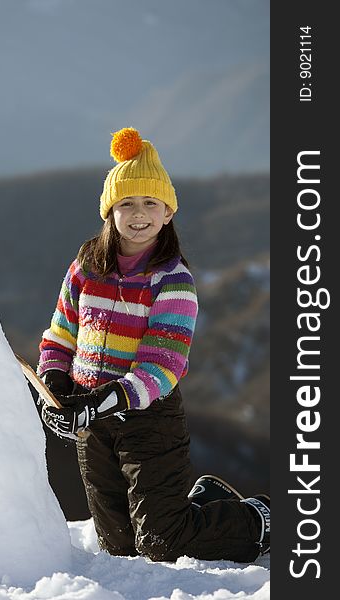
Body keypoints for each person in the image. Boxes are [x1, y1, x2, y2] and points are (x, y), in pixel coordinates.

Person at [36, 127, 270, 563]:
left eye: (150, 203)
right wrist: (53, 383)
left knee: (162, 545)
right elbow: (61, 334)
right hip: (94, 424)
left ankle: (258, 519)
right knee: (120, 550)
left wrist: (100, 401)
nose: (138, 213)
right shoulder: (87, 266)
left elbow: (161, 367)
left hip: (149, 420)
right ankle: (199, 502)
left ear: (167, 214)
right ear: (110, 212)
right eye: (127, 203)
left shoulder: (173, 281)